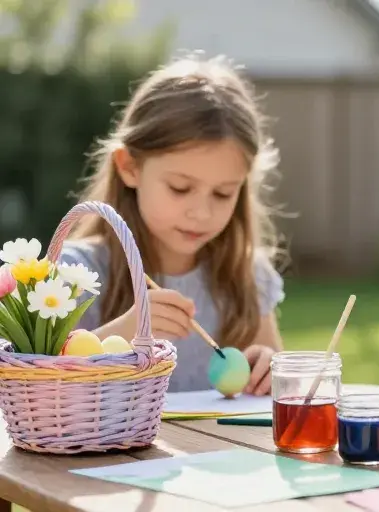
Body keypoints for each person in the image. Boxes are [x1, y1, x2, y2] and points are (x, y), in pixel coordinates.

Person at [59, 53, 286, 395]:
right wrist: (125, 331)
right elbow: (42, 380)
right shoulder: (78, 274)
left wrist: (268, 369)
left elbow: (277, 387)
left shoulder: (247, 275)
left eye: (223, 193)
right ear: (129, 167)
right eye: (180, 188)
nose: (202, 213)